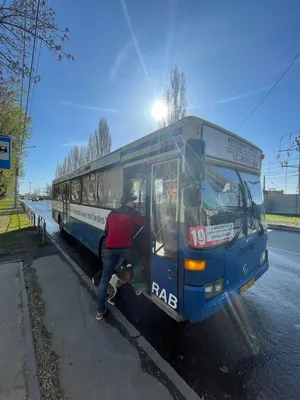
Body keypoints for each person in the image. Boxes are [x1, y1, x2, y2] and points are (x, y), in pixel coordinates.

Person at [96, 194, 147, 321]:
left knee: (104, 279)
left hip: (109, 249)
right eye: (133, 201)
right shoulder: (133, 213)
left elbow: (107, 231)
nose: (134, 203)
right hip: (125, 248)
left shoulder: (112, 213)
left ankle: (99, 312)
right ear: (129, 202)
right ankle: (138, 287)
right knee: (137, 264)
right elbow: (145, 223)